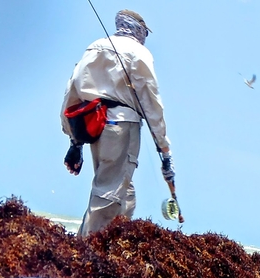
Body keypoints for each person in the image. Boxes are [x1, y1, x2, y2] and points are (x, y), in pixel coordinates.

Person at [60, 9, 175, 236]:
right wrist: (164, 146)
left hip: (95, 124)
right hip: (122, 126)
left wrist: (74, 142)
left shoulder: (94, 47)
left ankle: (114, 244)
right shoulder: (139, 53)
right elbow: (151, 102)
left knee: (125, 192)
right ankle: (85, 252)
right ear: (138, 29)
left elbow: (72, 90)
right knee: (109, 194)